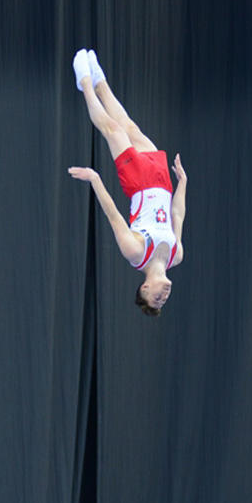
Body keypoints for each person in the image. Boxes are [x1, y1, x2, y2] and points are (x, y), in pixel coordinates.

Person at [68, 49, 186, 316]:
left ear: (144, 288)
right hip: (163, 183)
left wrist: (96, 179)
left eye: (156, 299)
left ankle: (85, 82)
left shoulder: (135, 253)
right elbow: (177, 214)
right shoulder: (176, 256)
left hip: (139, 184)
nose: (163, 297)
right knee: (131, 128)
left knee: (113, 130)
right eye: (163, 302)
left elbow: (113, 215)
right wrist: (183, 183)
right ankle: (100, 81)